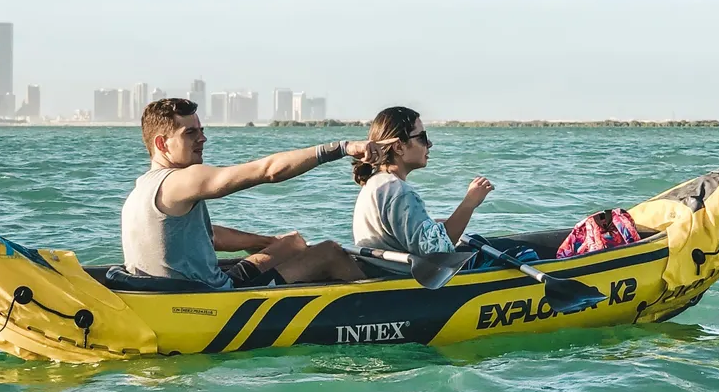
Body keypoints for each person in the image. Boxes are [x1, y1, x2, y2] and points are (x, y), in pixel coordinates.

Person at [121, 97, 386, 288]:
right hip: (212, 300)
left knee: (291, 242)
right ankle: (386, 305)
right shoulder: (181, 180)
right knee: (329, 252)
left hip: (181, 290)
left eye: (202, 131)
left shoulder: (141, 189)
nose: (202, 139)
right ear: (161, 143)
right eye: (190, 133)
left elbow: (205, 236)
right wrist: (341, 148)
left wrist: (261, 242)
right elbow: (267, 171)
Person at [351, 105, 494, 256]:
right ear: (399, 147)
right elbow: (437, 249)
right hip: (404, 274)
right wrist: (470, 202)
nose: (429, 144)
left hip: (378, 268)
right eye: (422, 138)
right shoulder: (400, 192)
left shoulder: (376, 182)